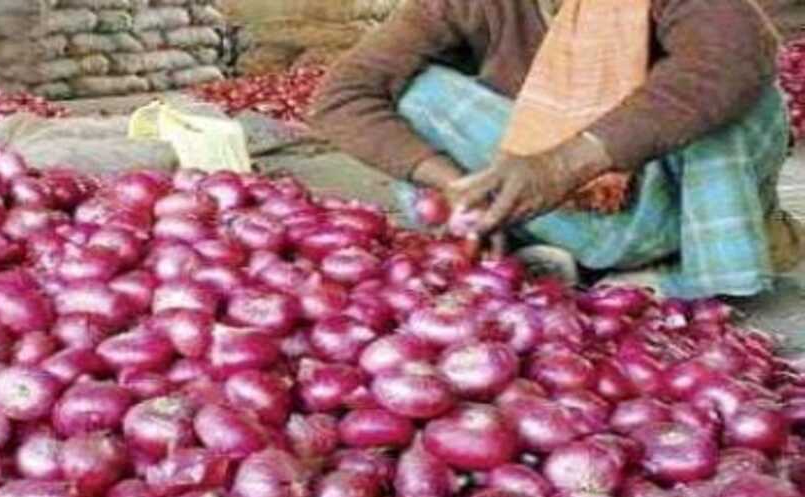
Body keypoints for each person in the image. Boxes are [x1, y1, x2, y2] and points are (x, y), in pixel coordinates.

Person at [311, 0, 803, 299]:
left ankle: (706, 281)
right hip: (553, 211)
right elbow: (343, 94)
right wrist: (462, 186)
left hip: (678, 203)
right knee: (420, 94)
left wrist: (564, 164)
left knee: (732, 90)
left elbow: (735, 53)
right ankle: (568, 257)